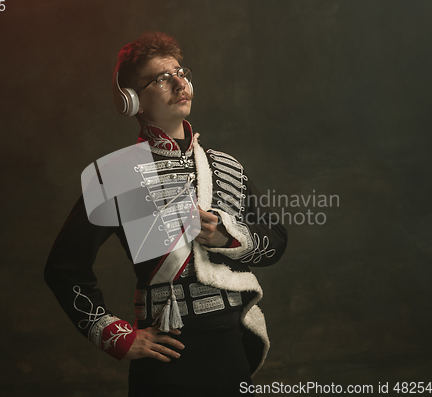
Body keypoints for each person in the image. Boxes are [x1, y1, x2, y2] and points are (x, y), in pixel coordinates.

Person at [45, 31, 287, 396]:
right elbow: (63, 269)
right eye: (160, 78)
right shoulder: (116, 174)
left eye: (180, 72)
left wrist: (228, 237)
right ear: (132, 101)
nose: (179, 83)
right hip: (167, 359)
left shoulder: (225, 166)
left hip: (233, 349)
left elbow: (276, 243)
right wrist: (116, 336)